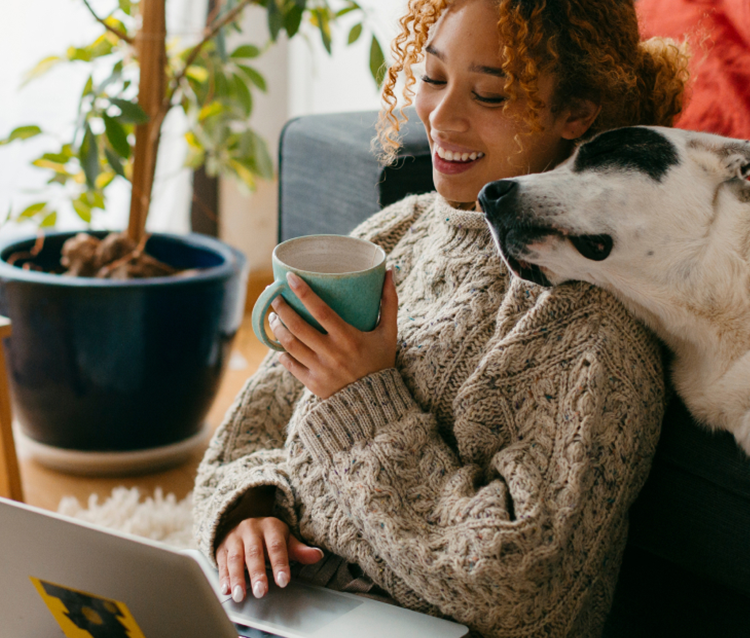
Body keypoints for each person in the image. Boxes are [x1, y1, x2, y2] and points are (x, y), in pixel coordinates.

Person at [192, 0, 688, 635]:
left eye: (489, 94)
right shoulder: (397, 232)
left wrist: (361, 399)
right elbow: (244, 439)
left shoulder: (589, 311)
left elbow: (517, 583)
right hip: (288, 607)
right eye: (431, 78)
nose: (441, 117)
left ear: (577, 111)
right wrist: (250, 509)